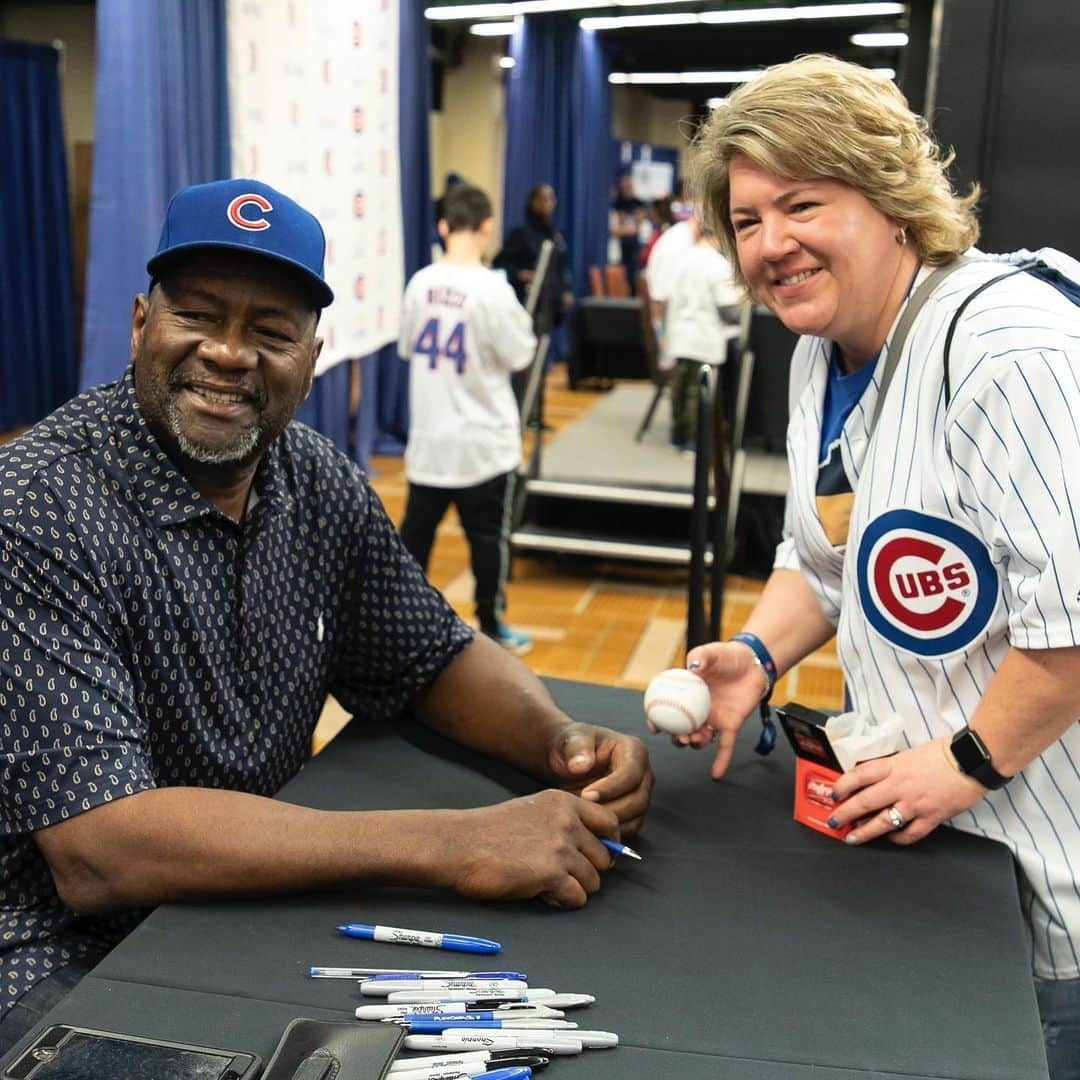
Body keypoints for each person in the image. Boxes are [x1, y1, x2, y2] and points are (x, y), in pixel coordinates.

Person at [0, 178, 653, 1052]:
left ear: (314, 356)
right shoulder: (36, 508)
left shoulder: (313, 477)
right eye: (197, 316)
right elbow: (100, 850)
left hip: (248, 903)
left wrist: (558, 740)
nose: (229, 353)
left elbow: (431, 656)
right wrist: (454, 845)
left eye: (270, 331)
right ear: (138, 324)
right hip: (59, 955)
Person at [684, 55, 1079, 1077]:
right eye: (747, 221)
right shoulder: (827, 347)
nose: (771, 245)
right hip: (934, 859)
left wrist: (963, 763)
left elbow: (1072, 629)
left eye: (801, 204)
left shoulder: (1011, 352)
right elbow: (822, 559)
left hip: (1047, 907)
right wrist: (756, 654)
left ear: (892, 199)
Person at [398, 185, 537, 656]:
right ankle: (492, 624)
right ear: (486, 226)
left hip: (430, 443)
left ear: (443, 226)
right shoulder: (494, 291)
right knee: (487, 542)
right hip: (483, 444)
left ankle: (400, 623)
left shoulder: (419, 283)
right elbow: (521, 354)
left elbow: (407, 346)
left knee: (413, 543)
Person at [661, 228, 741, 452]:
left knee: (679, 388)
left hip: (680, 336)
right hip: (704, 338)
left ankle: (676, 437)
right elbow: (729, 311)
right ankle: (693, 441)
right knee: (697, 392)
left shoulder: (681, 260)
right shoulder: (718, 265)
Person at [493, 184, 573, 336]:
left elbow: (561, 267)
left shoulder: (554, 235)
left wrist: (565, 290)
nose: (546, 203)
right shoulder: (521, 234)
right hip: (527, 301)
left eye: (550, 199)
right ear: (532, 202)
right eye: (541, 199)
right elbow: (500, 263)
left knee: (543, 341)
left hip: (549, 302)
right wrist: (520, 274)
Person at [609, 172, 645, 294]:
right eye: (624, 184)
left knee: (633, 281)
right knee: (617, 282)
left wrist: (626, 228)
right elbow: (613, 230)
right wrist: (627, 229)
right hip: (618, 250)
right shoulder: (616, 204)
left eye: (629, 184)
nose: (627, 187)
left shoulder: (639, 204)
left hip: (634, 250)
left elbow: (637, 229)